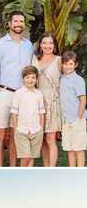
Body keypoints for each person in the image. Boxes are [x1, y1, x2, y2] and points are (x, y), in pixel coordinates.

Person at [0, 10, 34, 167]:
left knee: (16, 134)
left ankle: (13, 167)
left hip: (22, 96)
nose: (19, 24)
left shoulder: (28, 46)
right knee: (0, 134)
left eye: (21, 21)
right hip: (3, 94)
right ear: (9, 23)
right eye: (16, 21)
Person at [32, 32, 62, 166]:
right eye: (45, 43)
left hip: (52, 103)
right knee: (42, 138)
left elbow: (67, 82)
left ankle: (52, 168)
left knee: (50, 138)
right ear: (40, 44)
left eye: (50, 43)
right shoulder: (34, 59)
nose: (47, 46)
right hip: (36, 102)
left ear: (54, 45)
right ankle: (46, 167)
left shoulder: (59, 60)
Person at [11, 66, 45, 167]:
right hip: (22, 130)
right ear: (23, 79)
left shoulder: (39, 94)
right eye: (27, 77)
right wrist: (16, 128)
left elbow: (41, 112)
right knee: (25, 156)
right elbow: (14, 112)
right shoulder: (18, 93)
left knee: (31, 156)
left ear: (37, 79)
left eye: (33, 77)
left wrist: (41, 128)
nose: (30, 80)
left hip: (36, 130)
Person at [60, 51, 87, 167]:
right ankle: (72, 172)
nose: (68, 66)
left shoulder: (78, 80)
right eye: (65, 63)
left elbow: (83, 100)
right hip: (66, 120)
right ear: (62, 64)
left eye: (71, 64)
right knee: (69, 149)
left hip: (77, 120)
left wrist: (79, 118)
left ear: (75, 65)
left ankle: (80, 174)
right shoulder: (62, 78)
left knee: (79, 149)